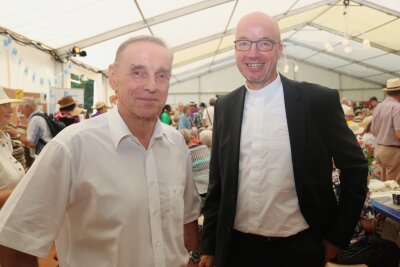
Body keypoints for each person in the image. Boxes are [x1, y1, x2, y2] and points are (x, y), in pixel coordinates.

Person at [0, 36, 201, 267]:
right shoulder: (71, 147)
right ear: (113, 77)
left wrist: (193, 258)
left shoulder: (175, 144)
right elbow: (13, 237)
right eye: (138, 72)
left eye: (162, 75)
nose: (152, 85)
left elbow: (188, 215)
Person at [200, 12, 368, 267]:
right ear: (235, 49)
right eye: (244, 43)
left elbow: (354, 167)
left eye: (264, 43)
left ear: (279, 49)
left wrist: (337, 234)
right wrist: (209, 246)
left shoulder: (316, 102)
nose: (253, 53)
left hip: (299, 249)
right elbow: (217, 183)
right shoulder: (226, 105)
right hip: (236, 249)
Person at [0, 87, 38, 266]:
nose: (10, 110)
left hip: (13, 228)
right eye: (4, 105)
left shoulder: (4, 139)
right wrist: (25, 190)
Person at [371, 78, 400, 182]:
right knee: (395, 186)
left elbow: (373, 131)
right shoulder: (397, 107)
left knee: (385, 186)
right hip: (393, 151)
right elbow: (399, 133)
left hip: (380, 149)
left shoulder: (379, 106)